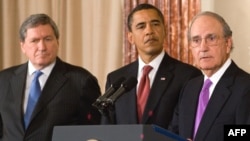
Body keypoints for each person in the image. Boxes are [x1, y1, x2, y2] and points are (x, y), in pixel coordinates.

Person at [0, 13, 101, 141]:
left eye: (48, 39)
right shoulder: (3, 80)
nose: (42, 47)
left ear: (57, 42)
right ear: (23, 46)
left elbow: (92, 132)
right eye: (34, 40)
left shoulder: (81, 81)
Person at [101, 3, 202, 130]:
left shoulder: (188, 76)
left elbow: (185, 126)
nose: (149, 31)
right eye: (141, 26)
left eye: (155, 24)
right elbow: (107, 129)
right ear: (130, 37)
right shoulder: (116, 78)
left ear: (165, 31)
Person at [168, 11, 250, 141]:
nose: (203, 48)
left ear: (227, 43)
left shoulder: (245, 87)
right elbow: (174, 132)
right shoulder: (189, 88)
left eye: (211, 38)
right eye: (196, 40)